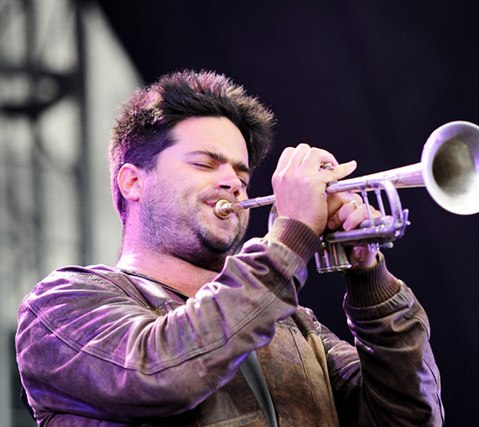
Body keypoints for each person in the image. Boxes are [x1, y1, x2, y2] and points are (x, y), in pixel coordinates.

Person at [15, 70, 444, 426]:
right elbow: (160, 374)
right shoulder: (61, 306)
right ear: (133, 182)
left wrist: (368, 275)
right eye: (204, 162)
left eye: (241, 171)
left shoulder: (295, 326)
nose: (232, 182)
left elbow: (409, 418)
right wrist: (292, 235)